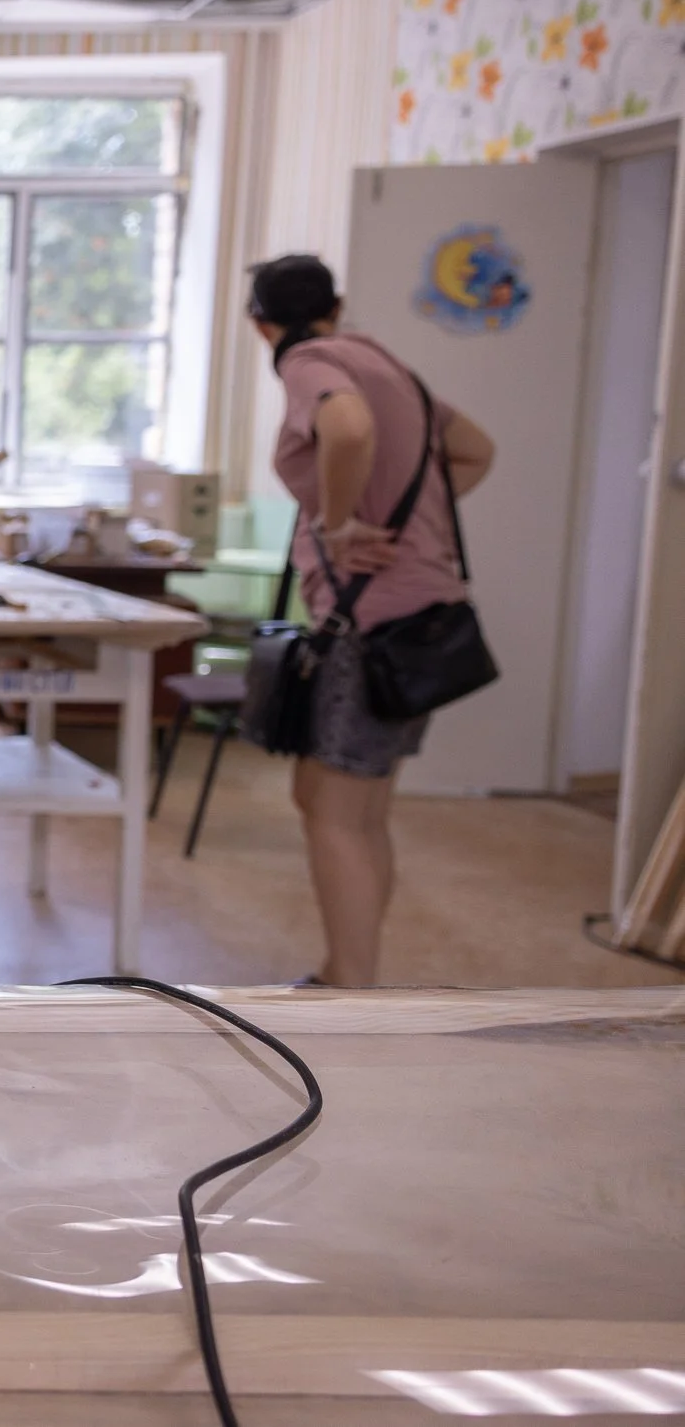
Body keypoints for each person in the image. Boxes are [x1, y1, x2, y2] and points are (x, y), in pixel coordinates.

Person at [250, 254, 495, 988]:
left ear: (261, 325)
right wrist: (399, 523)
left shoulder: (309, 361)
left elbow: (348, 428)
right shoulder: (387, 365)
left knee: (337, 813)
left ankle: (350, 987)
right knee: (348, 803)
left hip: (372, 623)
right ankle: (347, 969)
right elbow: (475, 451)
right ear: (337, 305)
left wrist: (339, 524)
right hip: (414, 618)